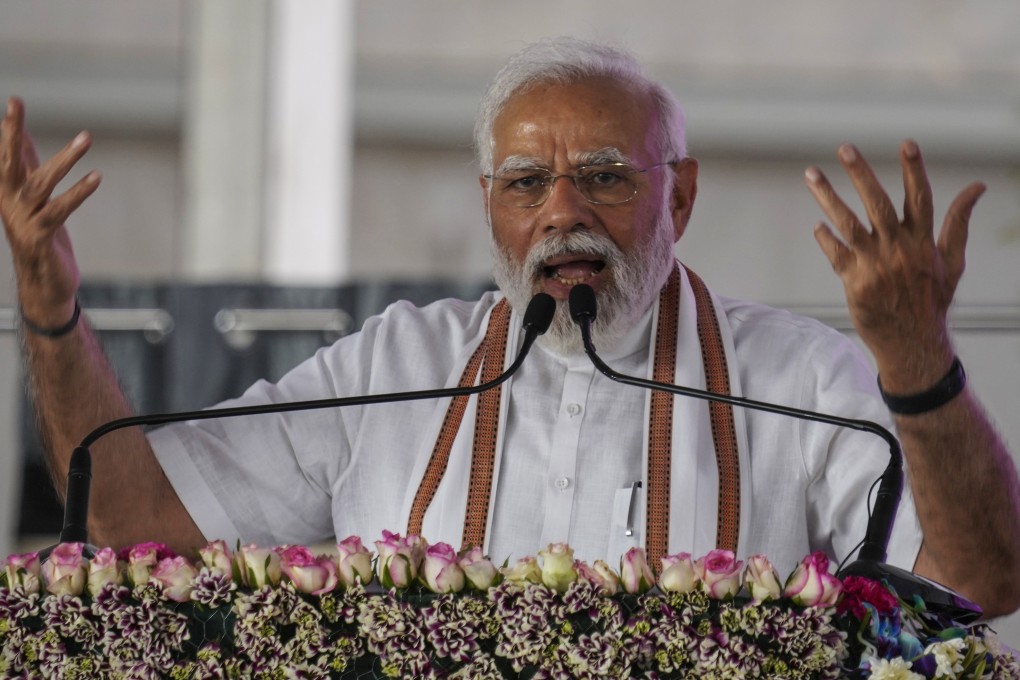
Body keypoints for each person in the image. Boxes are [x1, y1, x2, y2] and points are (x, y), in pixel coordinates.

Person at [2, 37, 1018, 617]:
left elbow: (985, 581)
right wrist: (52, 309)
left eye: (608, 177)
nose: (563, 212)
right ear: (490, 203)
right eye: (527, 182)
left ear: (684, 195)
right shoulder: (396, 367)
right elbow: (130, 524)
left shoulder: (795, 380)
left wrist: (918, 362)